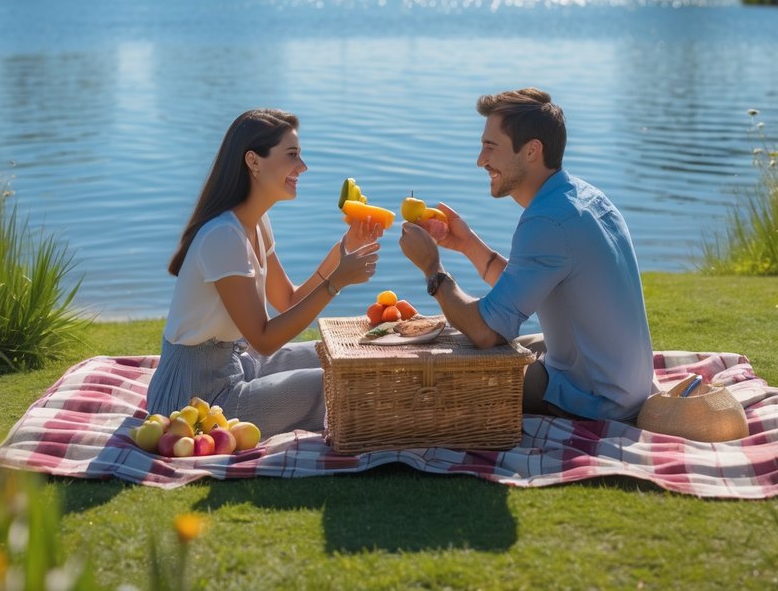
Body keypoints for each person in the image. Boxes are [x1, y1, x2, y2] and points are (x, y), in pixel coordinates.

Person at [398, 88, 654, 422]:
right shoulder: (582, 198)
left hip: (596, 397)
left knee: (439, 374)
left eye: (490, 147)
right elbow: (520, 288)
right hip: (625, 385)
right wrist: (467, 244)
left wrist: (433, 269)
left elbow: (486, 332)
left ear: (532, 151)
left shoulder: (547, 221)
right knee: (458, 341)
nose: (480, 160)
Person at [146, 108, 382, 436]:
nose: (303, 167)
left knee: (333, 356)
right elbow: (264, 338)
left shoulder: (255, 225)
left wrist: (344, 248)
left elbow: (288, 299)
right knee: (333, 383)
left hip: (235, 365)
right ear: (253, 161)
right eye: (292, 156)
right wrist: (337, 282)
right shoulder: (223, 236)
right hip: (193, 400)